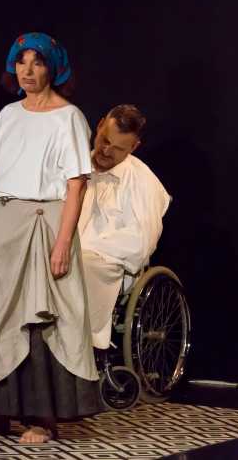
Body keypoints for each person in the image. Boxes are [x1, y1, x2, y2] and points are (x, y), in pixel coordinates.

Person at [0, 32, 100, 443]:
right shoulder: (8, 115)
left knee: (36, 320)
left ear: (53, 68)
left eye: (38, 62)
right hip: (1, 226)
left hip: (41, 223)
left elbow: (76, 185)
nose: (28, 70)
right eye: (22, 62)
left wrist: (62, 242)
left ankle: (41, 418)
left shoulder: (69, 117)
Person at [79, 105, 171, 350]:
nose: (106, 150)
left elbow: (140, 243)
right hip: (63, 250)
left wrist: (78, 247)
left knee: (80, 266)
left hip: (108, 263)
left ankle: (77, 347)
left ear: (134, 147)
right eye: (104, 140)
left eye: (118, 148)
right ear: (99, 125)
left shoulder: (142, 181)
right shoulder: (74, 166)